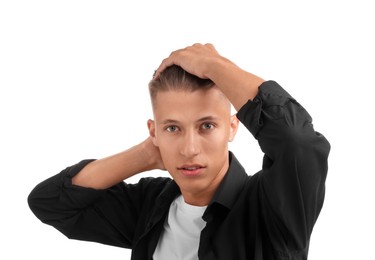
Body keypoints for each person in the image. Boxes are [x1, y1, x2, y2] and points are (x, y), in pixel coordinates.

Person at [28, 43, 330, 260]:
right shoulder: (150, 204)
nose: (189, 148)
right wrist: (147, 155)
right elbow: (50, 202)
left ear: (232, 127)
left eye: (207, 126)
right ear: (153, 131)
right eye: (173, 128)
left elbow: (299, 144)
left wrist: (215, 66)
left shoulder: (270, 207)